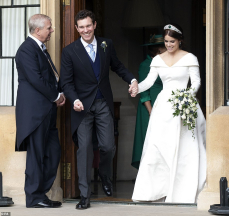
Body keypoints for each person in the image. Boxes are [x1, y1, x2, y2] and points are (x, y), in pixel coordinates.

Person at [60, 9, 138, 210]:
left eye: (89, 25)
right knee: (84, 149)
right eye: (82, 27)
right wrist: (74, 99)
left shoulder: (106, 44)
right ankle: (84, 195)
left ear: (94, 25)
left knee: (108, 146)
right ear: (77, 29)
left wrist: (132, 79)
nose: (86, 30)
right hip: (82, 107)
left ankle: (104, 174)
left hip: (103, 102)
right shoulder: (69, 51)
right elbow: (66, 82)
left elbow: (118, 66)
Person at [131, 24, 206, 203]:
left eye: (172, 41)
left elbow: (195, 82)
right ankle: (158, 190)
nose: (169, 45)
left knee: (184, 147)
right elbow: (149, 81)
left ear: (180, 40)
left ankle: (183, 191)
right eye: (166, 41)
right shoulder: (157, 60)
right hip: (164, 106)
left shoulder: (190, 58)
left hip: (184, 104)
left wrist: (186, 97)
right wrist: (136, 88)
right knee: (158, 146)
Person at [15, 14, 65, 208]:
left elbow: (49, 77)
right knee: (36, 156)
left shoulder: (40, 48)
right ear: (38, 30)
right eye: (49, 28)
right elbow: (36, 79)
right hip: (35, 113)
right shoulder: (26, 50)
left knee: (53, 153)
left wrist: (60, 92)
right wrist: (56, 96)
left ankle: (40, 194)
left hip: (47, 111)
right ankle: (34, 198)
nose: (51, 30)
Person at [131, 34, 166, 169]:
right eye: (164, 46)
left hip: (162, 106)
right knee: (150, 141)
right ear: (157, 50)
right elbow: (144, 92)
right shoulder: (146, 65)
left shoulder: (163, 63)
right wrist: (151, 112)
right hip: (149, 109)